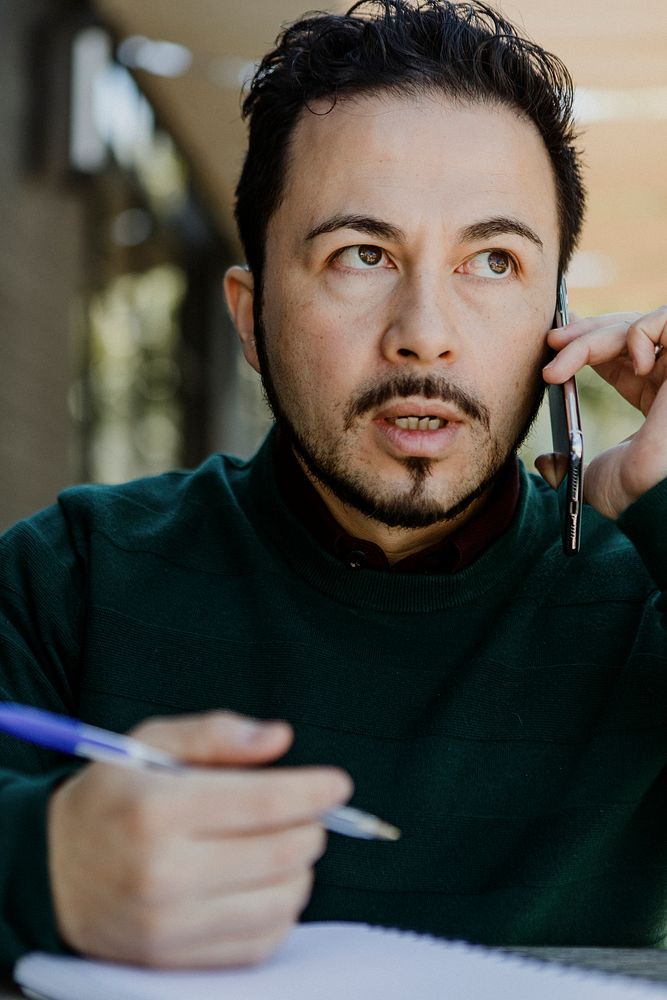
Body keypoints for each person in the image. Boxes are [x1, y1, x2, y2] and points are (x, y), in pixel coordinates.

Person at [1, 0, 666, 973]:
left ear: (555, 322)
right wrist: (37, 866)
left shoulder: (642, 594)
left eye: (493, 260)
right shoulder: (71, 575)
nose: (424, 331)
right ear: (249, 315)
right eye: (362, 254)